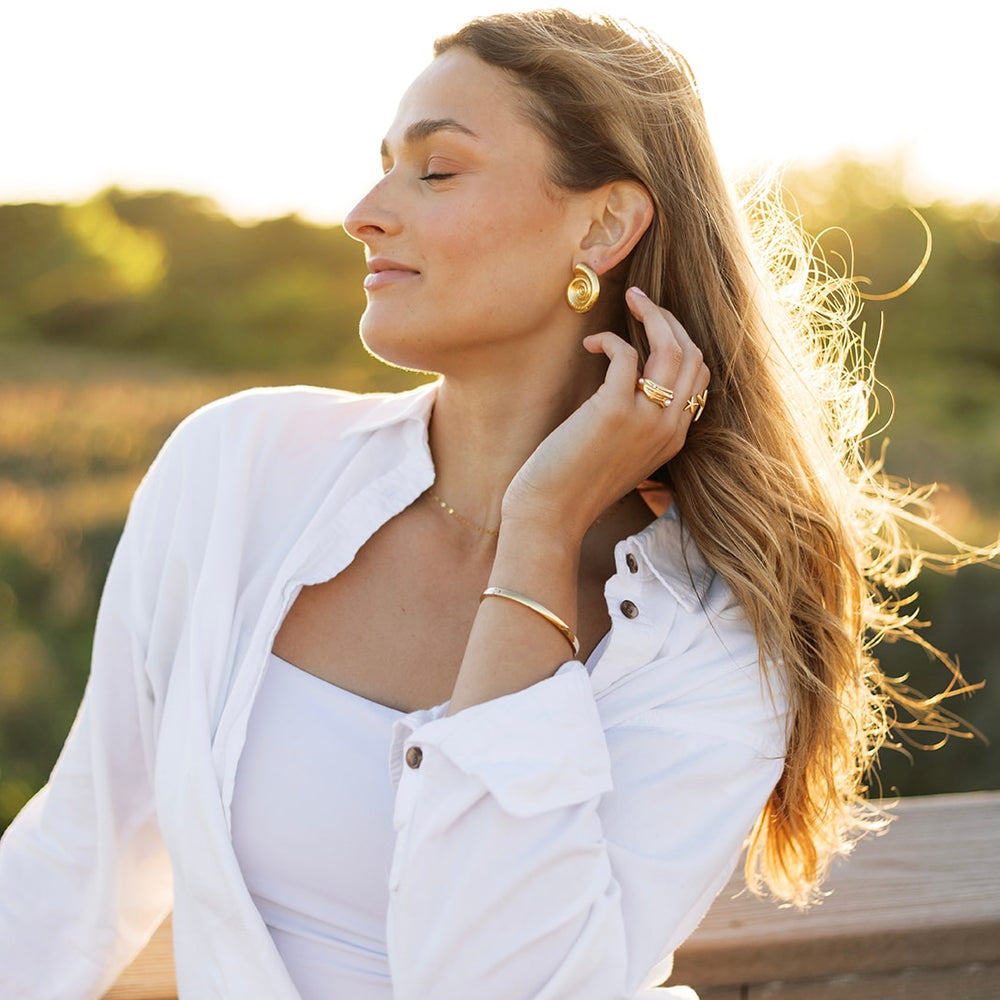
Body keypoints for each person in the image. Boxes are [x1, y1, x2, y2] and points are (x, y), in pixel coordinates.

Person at [0, 9, 985, 1000]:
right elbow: (81, 852)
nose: (364, 211)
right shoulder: (238, 466)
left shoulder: (713, 624)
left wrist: (541, 529)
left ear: (601, 226)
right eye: (382, 164)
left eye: (435, 170)